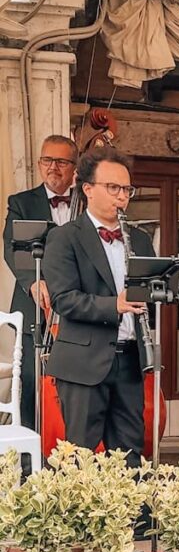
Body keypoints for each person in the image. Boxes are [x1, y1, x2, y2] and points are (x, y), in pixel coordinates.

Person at [42, 147, 154, 466]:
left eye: (127, 189)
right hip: (83, 362)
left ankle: (135, 518)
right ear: (88, 189)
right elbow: (64, 299)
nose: (122, 197)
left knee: (131, 454)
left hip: (130, 359)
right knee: (81, 457)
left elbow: (147, 295)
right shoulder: (64, 238)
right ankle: (83, 519)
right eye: (113, 188)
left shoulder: (141, 239)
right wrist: (115, 305)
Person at [2, 135, 78, 429]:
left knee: (75, 387)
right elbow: (12, 247)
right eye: (47, 160)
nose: (53, 167)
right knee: (31, 382)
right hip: (36, 306)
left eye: (61, 161)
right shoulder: (22, 202)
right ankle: (29, 462)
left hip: (74, 308)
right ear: (38, 164)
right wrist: (33, 282)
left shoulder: (86, 202)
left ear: (74, 167)